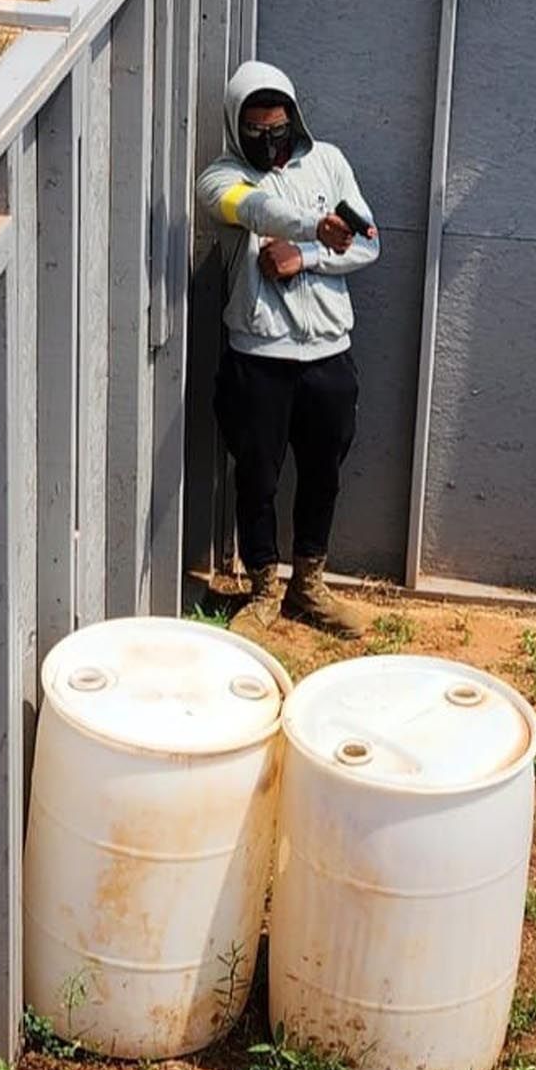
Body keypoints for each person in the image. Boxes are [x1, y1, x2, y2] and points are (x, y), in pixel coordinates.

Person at [196, 62, 380, 639]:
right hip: (258, 358)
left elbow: (370, 243)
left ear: (293, 118)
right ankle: (262, 589)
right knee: (257, 475)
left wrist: (310, 255)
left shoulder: (328, 162)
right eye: (255, 129)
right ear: (236, 126)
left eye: (277, 126)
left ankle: (308, 585)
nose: (268, 139)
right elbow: (251, 211)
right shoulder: (220, 178)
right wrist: (310, 225)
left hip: (328, 352)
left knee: (323, 472)